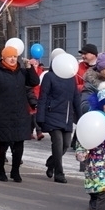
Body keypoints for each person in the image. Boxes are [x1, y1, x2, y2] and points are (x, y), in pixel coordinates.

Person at [0, 46, 39, 182]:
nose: (13, 59)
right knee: (3, 145)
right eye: (10, 56)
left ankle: (15, 171)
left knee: (19, 145)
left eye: (15, 56)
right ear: (3, 58)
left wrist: (29, 67)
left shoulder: (22, 72)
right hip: (2, 115)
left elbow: (34, 82)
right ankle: (1, 170)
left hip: (20, 114)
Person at [36, 53, 83, 182]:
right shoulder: (49, 77)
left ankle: (51, 163)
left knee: (66, 144)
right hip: (52, 114)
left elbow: (76, 99)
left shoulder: (71, 77)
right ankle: (59, 173)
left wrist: (81, 118)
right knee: (58, 143)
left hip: (67, 116)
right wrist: (40, 117)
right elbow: (43, 97)